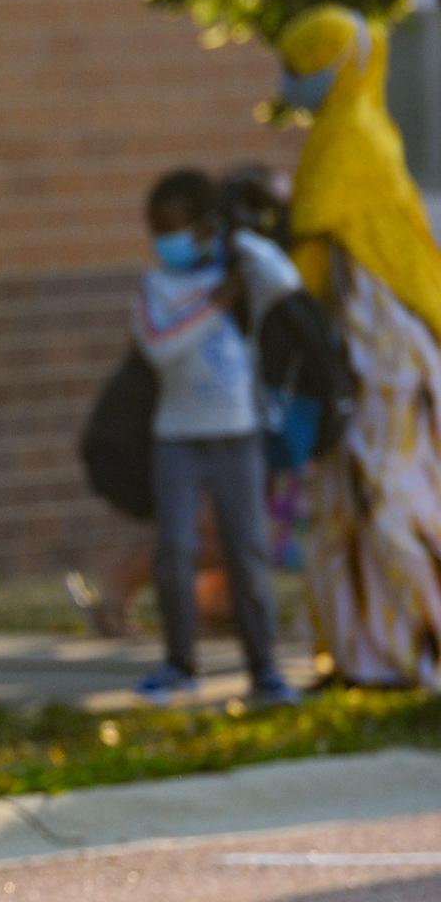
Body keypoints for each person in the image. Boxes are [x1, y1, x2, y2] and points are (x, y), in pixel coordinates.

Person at [276, 6, 441, 688]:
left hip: (379, 352)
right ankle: (370, 651)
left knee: (383, 494)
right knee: (354, 499)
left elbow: (311, 246)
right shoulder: (363, 127)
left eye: (301, 65)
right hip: (379, 344)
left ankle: (417, 640)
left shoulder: (346, 138)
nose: (290, 81)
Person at [130, 168, 299, 705]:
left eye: (178, 228)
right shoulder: (154, 287)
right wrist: (213, 304)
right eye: (159, 230)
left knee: (247, 552)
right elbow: (160, 344)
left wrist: (241, 234)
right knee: (174, 548)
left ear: (205, 230)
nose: (167, 241)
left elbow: (286, 280)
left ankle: (264, 669)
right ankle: (180, 661)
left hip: (238, 437)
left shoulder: (243, 277)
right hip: (177, 438)